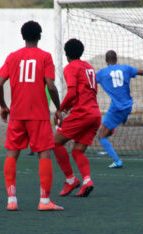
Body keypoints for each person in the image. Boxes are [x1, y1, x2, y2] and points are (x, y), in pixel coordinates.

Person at [0, 20, 64, 211]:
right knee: (44, 154)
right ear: (40, 36)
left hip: (17, 114)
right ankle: (44, 201)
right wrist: (58, 108)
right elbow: (51, 86)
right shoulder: (45, 57)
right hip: (39, 115)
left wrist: (3, 106)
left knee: (12, 154)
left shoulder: (13, 57)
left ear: (22, 36)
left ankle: (11, 200)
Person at [96, 50, 143, 168]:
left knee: (101, 136)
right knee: (105, 129)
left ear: (106, 61)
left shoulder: (101, 73)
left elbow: (88, 84)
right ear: (116, 59)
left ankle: (117, 161)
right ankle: (111, 130)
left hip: (117, 108)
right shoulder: (126, 68)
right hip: (127, 106)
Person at [53, 38, 101, 198]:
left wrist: (59, 109)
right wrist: (69, 105)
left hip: (83, 113)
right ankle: (87, 181)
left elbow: (72, 92)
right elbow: (87, 92)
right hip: (95, 114)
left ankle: (70, 179)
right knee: (77, 151)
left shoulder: (70, 67)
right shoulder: (89, 67)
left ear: (66, 54)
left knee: (55, 142)